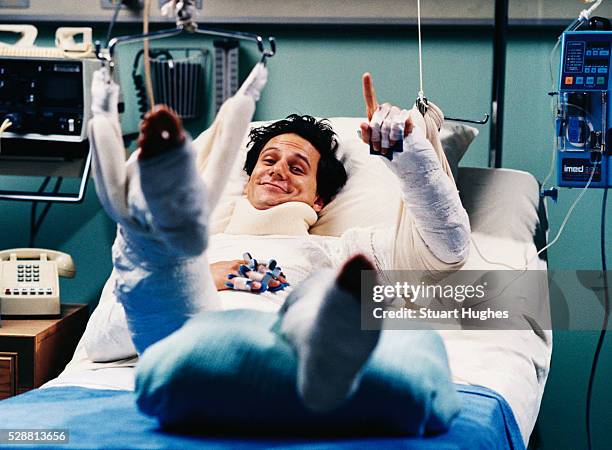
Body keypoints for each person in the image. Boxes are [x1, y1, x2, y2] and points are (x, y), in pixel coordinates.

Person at [86, 62, 470, 424]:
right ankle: (309, 365)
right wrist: (201, 278)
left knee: (330, 294)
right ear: (249, 179)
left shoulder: (343, 252)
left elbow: (445, 250)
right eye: (268, 161)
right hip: (194, 345)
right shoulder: (187, 253)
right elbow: (101, 343)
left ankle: (314, 341)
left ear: (319, 201)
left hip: (276, 348)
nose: (277, 170)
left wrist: (411, 161)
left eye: (297, 167)